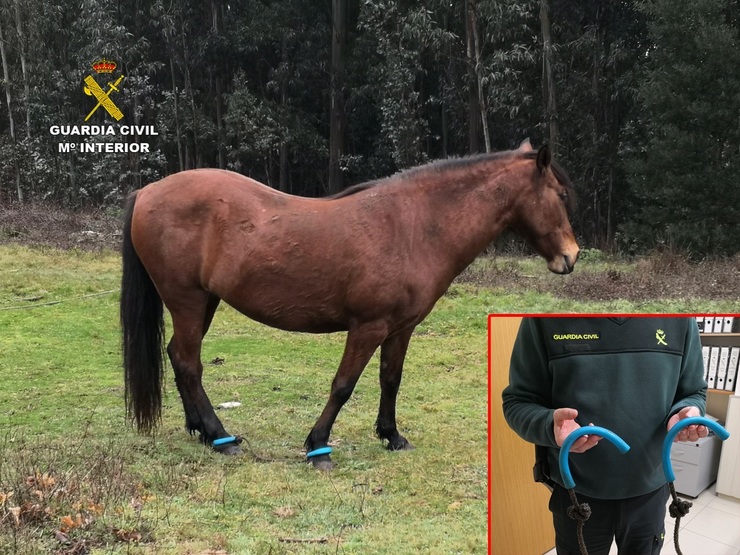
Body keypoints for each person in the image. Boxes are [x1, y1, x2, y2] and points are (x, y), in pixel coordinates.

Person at [502, 316, 708, 555]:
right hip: (576, 496)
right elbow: (518, 402)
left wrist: (683, 413)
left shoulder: (680, 318)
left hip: (649, 491)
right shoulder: (543, 318)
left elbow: (694, 392)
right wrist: (549, 426)